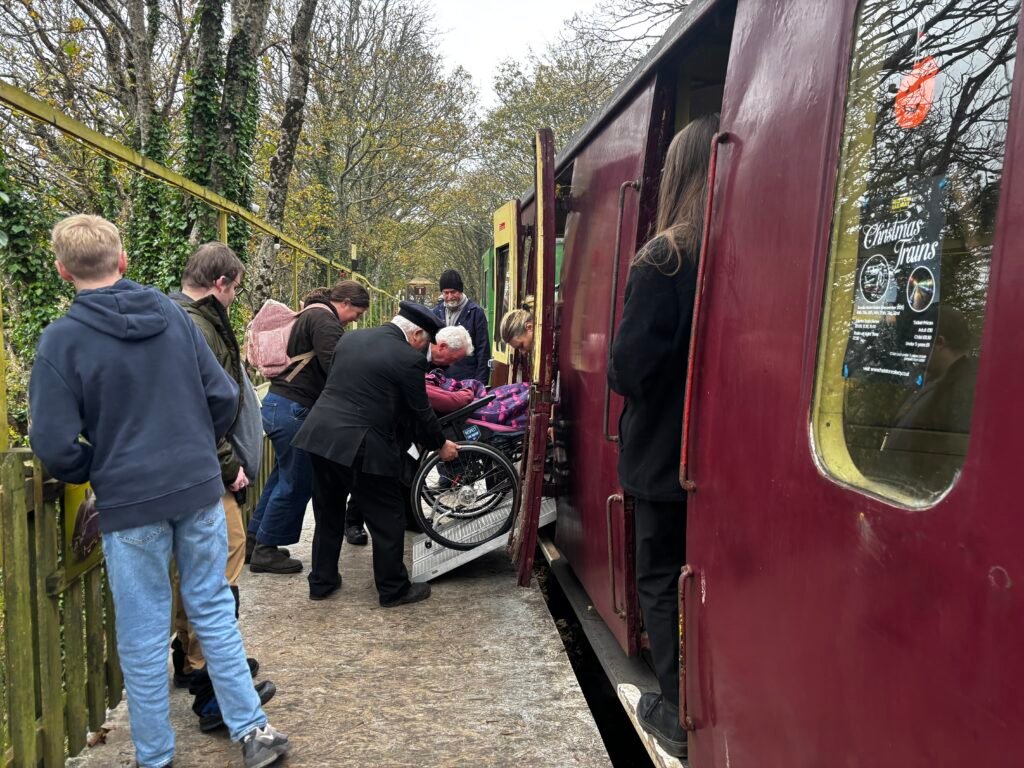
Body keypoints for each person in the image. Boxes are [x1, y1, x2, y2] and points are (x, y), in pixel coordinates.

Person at [28, 215, 288, 768]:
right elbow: (222, 396)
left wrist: (97, 465)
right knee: (213, 608)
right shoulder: (171, 315)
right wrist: (195, 447)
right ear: (123, 261)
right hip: (196, 489)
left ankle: (156, 756)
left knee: (144, 633)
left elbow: (51, 442)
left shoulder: (61, 340)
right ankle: (253, 732)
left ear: (60, 270)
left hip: (131, 501)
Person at [607, 113, 719, 760]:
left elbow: (628, 368)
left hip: (662, 455)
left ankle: (676, 708)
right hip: (726, 452)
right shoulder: (736, 246)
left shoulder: (665, 256)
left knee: (658, 576)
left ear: (674, 175)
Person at [292, 301, 459, 605]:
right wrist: (440, 444)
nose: (424, 348)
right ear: (417, 333)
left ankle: (321, 582)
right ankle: (393, 588)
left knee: (327, 514)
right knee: (387, 517)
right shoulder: (408, 358)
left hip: (320, 436)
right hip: (363, 446)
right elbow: (420, 411)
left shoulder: (350, 339)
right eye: (425, 341)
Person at [169, 243, 273, 730]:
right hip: (205, 469)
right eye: (235, 289)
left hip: (190, 467)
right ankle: (211, 678)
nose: (235, 299)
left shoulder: (181, 316)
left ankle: (198, 663)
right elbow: (202, 406)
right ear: (222, 284)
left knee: (195, 567)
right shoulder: (199, 326)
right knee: (223, 559)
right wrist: (229, 464)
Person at [246, 279, 370, 574]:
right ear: (347, 304)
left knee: (280, 478)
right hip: (295, 410)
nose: (356, 321)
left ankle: (255, 539)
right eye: (358, 314)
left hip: (279, 404)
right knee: (297, 483)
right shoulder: (324, 321)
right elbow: (337, 369)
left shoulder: (310, 313)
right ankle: (266, 551)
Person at [432, 269, 490, 383]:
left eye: (453, 292)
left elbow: (483, 351)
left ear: (461, 291)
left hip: (467, 379)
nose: (449, 296)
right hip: (441, 379)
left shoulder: (475, 313)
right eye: (445, 293)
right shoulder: (435, 313)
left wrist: (479, 384)